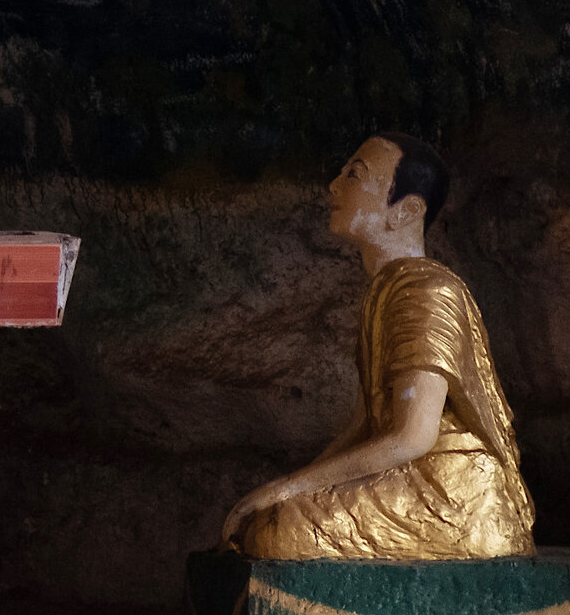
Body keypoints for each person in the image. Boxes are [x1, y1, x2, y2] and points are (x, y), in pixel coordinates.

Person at [220, 134, 535, 560]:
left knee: (278, 532)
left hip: (452, 493)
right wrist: (291, 485)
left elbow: (412, 435)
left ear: (406, 210)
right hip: (408, 474)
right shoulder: (386, 292)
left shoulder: (427, 289)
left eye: (355, 174)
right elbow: (364, 427)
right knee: (272, 518)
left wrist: (288, 489)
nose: (334, 185)